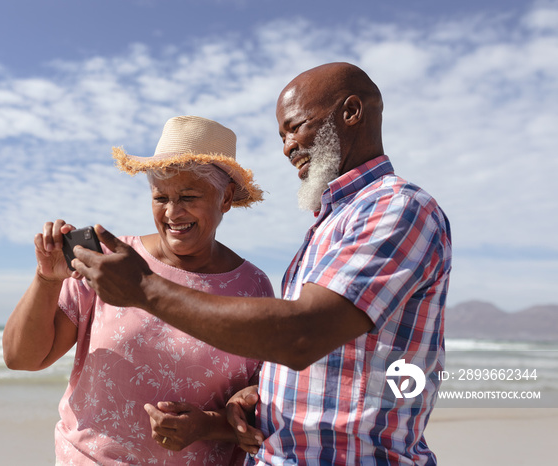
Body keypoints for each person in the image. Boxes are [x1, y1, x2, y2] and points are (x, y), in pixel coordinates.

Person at [72, 62, 452, 465]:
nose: (287, 147)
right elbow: (329, 364)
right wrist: (256, 397)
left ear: (351, 112)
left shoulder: (396, 208)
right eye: (281, 135)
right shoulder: (333, 222)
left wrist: (145, 289)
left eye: (296, 126)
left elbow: (303, 335)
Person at [2, 115, 275, 465]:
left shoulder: (252, 287)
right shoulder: (111, 262)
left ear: (226, 198)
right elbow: (21, 358)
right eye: (160, 197)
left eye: (189, 196)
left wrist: (207, 424)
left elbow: (263, 401)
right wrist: (47, 279)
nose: (173, 213)